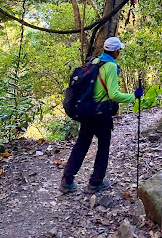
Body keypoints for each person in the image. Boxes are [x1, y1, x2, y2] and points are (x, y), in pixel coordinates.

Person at [59, 37, 143, 194]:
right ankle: (95, 182)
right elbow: (113, 95)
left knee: (81, 145)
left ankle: (67, 180)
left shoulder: (96, 62)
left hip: (87, 111)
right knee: (103, 147)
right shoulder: (110, 66)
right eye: (119, 51)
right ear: (116, 51)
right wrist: (134, 96)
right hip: (100, 113)